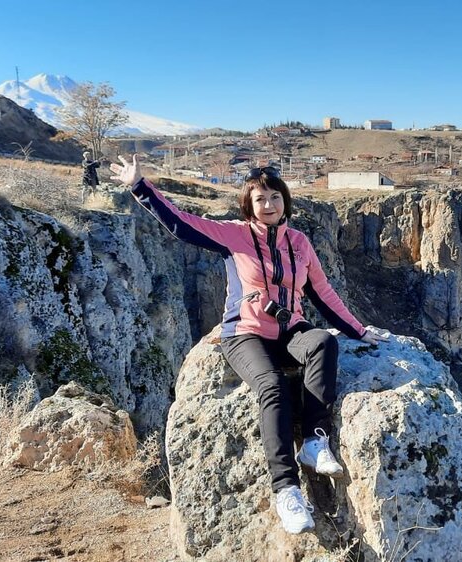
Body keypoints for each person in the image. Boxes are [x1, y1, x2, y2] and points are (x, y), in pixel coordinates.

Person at [110, 155, 388, 534]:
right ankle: (286, 490)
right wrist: (140, 187)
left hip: (289, 330)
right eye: (260, 199)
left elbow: (322, 292)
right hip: (245, 333)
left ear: (285, 201)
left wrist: (357, 330)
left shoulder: (299, 243)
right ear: (249, 204)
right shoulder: (234, 235)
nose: (269, 204)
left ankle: (314, 441)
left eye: (275, 197)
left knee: (323, 342)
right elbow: (181, 224)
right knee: (272, 386)